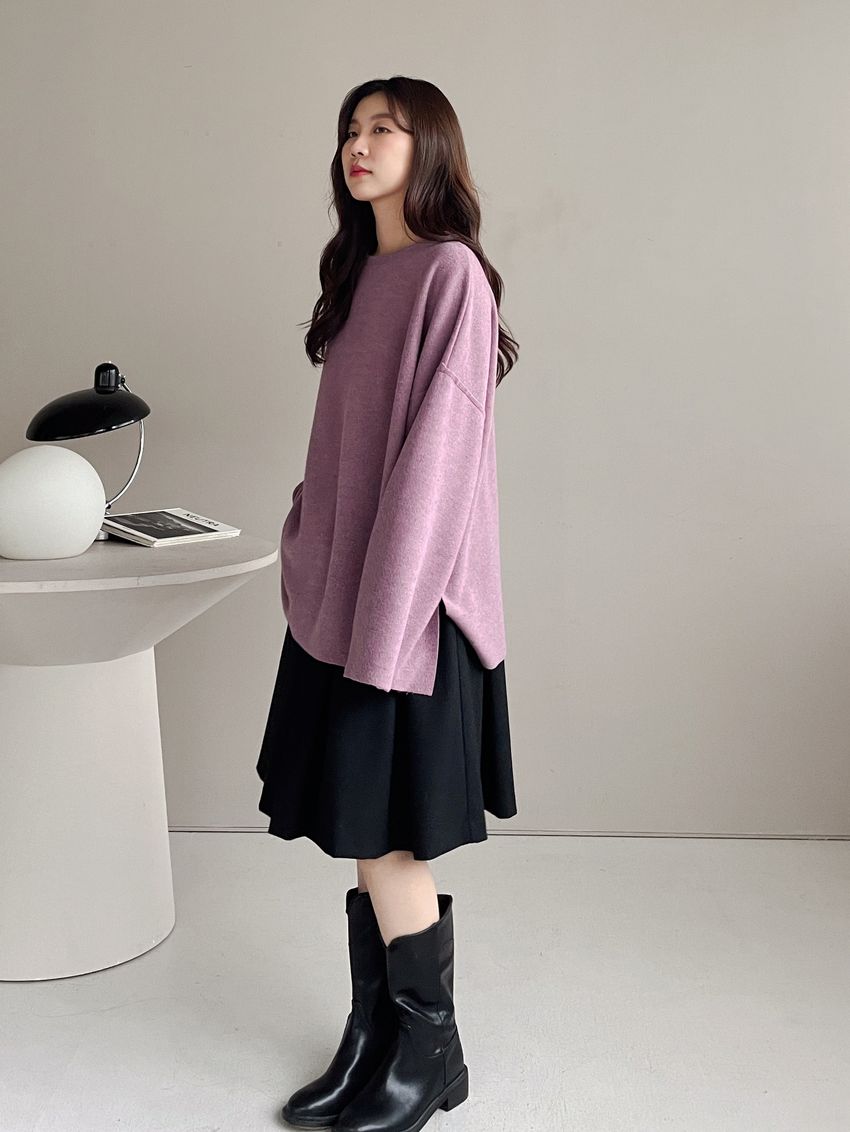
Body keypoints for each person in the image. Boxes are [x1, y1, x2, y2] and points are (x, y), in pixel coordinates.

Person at [256, 75, 520, 1132]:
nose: (357, 146)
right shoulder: (365, 275)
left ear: (429, 148)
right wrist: (306, 535)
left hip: (407, 614)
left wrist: (386, 620)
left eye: (383, 130)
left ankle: (429, 1056)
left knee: (392, 840)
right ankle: (376, 1039)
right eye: (349, 131)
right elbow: (341, 451)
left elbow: (436, 472)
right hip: (347, 600)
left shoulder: (450, 275)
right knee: (365, 829)